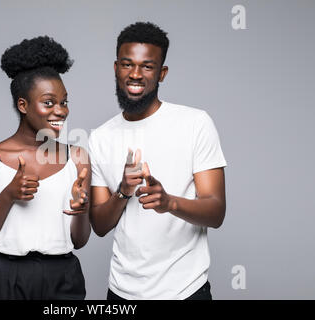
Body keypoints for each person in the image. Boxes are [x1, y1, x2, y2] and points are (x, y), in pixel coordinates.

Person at [88, 22, 227, 300]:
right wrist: (123, 192)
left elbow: (216, 211)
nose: (135, 75)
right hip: (121, 292)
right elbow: (100, 226)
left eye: (147, 67)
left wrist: (169, 202)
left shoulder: (195, 123)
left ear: (161, 73)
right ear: (116, 68)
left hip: (184, 291)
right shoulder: (100, 137)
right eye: (127, 65)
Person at [0, 36, 91, 300]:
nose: (61, 111)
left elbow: (79, 241)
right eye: (49, 102)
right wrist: (8, 195)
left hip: (64, 276)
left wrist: (81, 210)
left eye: (64, 102)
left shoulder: (77, 157)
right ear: (23, 105)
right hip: (7, 277)